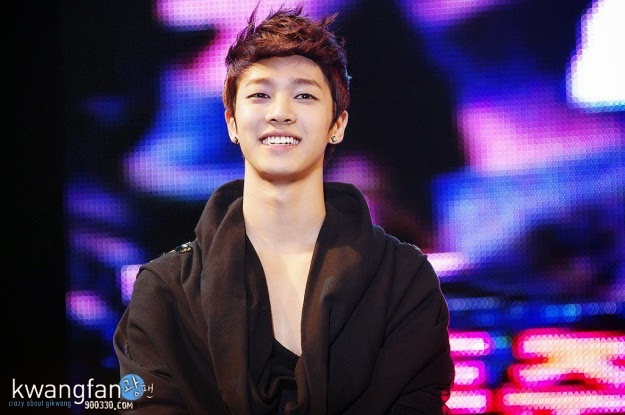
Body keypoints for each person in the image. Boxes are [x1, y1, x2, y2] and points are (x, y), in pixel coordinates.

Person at [113, 5, 455, 414]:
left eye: (304, 96)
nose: (280, 115)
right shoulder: (165, 288)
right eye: (260, 95)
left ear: (338, 123)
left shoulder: (404, 276)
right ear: (231, 122)